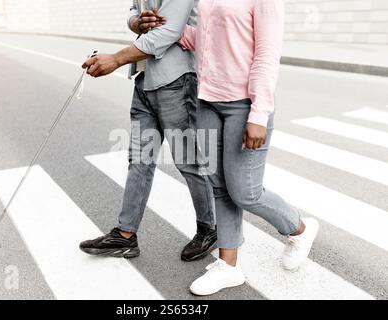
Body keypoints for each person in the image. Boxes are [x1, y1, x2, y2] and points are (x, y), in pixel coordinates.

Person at [172, 0, 320, 296]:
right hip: (207, 101)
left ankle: (299, 229)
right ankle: (229, 267)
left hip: (244, 105)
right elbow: (207, 39)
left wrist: (259, 113)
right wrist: (170, 30)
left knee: (245, 192)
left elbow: (266, 54)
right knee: (219, 187)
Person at [79, 0, 218, 262]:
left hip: (175, 80)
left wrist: (116, 59)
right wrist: (136, 22)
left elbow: (169, 31)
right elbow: (134, 9)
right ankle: (125, 235)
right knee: (139, 160)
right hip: (145, 80)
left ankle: (209, 228)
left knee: (188, 161)